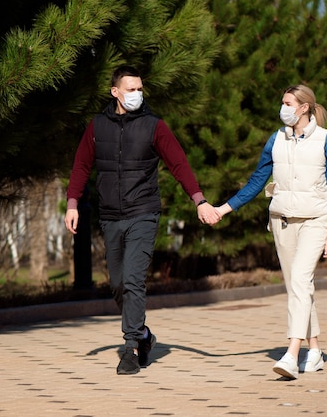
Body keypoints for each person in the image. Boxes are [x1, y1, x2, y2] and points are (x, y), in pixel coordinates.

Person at [64, 65, 220, 375]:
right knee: (119, 285)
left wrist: (198, 199)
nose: (136, 94)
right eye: (130, 89)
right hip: (109, 215)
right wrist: (72, 203)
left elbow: (178, 163)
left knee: (134, 281)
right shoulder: (96, 126)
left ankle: (131, 349)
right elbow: (81, 165)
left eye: (140, 89)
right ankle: (145, 335)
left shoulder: (154, 126)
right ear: (115, 92)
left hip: (143, 212)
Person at [212, 84, 327, 380]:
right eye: (283, 102)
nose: (283, 108)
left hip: (315, 220)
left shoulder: (326, 141)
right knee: (298, 287)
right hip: (282, 221)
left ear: (304, 108)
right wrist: (223, 209)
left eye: (288, 103)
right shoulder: (276, 140)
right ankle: (315, 350)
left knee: (299, 280)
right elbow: (256, 181)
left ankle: (291, 353)